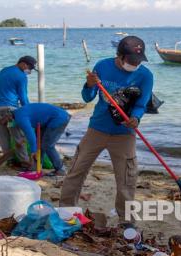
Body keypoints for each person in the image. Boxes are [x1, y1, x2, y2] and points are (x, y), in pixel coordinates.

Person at [60, 36, 153, 224]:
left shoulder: (145, 75)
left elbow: (141, 104)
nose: (135, 65)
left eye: (138, 61)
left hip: (124, 134)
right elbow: (87, 97)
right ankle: (65, 212)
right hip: (97, 129)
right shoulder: (102, 66)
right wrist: (89, 84)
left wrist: (135, 118)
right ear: (119, 56)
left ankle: (126, 221)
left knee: (127, 179)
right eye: (131, 61)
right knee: (77, 169)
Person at [0, 56, 36, 168]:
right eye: (29, 68)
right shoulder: (21, 76)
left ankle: (9, 161)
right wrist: (30, 113)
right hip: (8, 111)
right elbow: (23, 98)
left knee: (4, 136)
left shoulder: (4, 70)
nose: (29, 71)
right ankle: (25, 163)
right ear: (23, 64)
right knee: (18, 136)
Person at [11, 103, 71, 175]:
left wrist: (33, 151)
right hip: (46, 121)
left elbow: (30, 134)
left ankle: (60, 169)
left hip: (59, 118)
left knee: (48, 146)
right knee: (39, 143)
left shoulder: (20, 118)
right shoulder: (17, 113)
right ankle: (37, 167)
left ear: (9, 115)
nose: (6, 122)